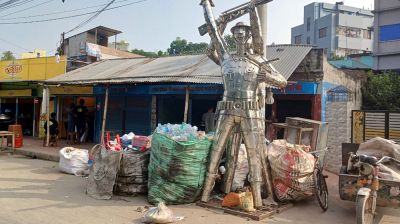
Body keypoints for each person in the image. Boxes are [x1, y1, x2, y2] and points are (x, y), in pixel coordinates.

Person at [200, 0, 287, 208]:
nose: (240, 34)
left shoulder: (258, 60)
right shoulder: (225, 57)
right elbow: (213, 32)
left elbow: (282, 81)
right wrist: (206, 6)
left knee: (254, 155)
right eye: (237, 31)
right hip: (227, 109)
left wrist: (267, 77)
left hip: (251, 111)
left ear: (249, 36)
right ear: (233, 36)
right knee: (216, 152)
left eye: (244, 31)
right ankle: (204, 195)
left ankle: (257, 199)